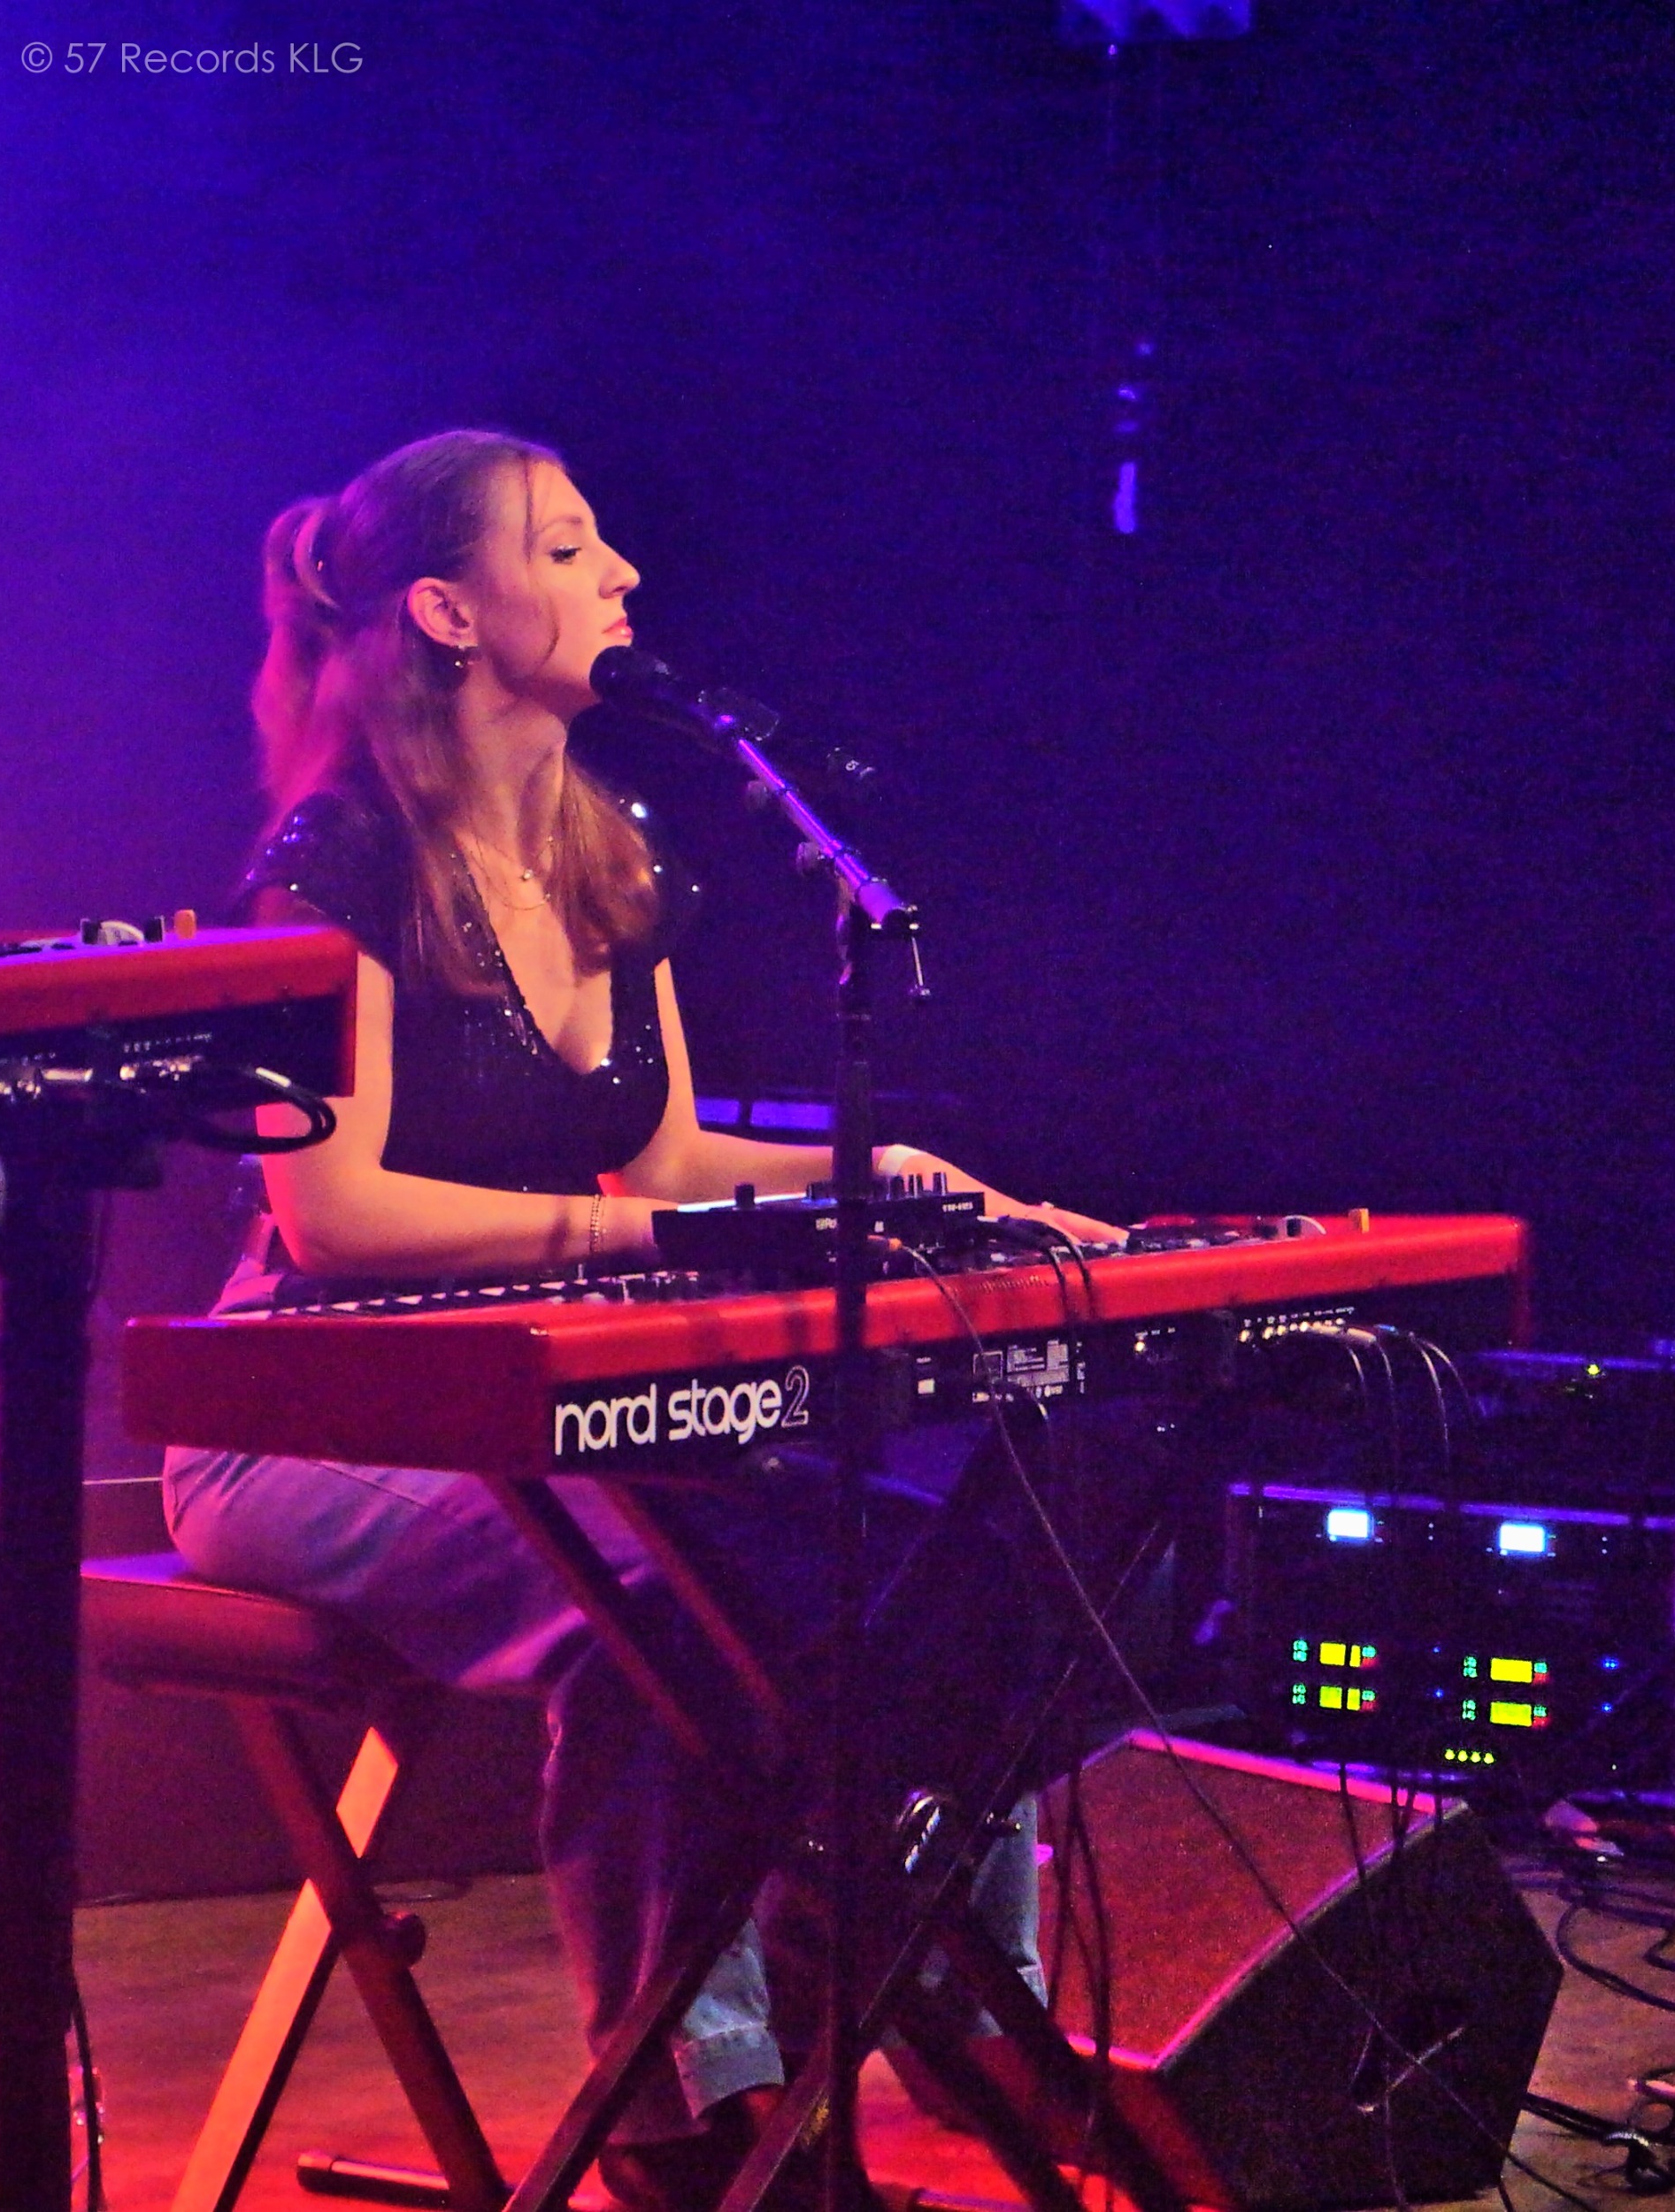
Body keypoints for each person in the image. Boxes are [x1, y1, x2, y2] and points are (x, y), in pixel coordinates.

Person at [163, 428, 1121, 2211]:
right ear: (447, 610)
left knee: (934, 1573)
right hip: (307, 1424)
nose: (620, 575)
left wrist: (901, 1176)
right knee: (659, 1612)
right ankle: (694, 2107)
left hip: (539, 1396)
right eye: (566, 546)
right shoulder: (340, 857)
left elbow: (669, 1153)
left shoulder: (610, 849)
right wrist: (635, 1231)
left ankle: (929, 1997)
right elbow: (334, 1216)